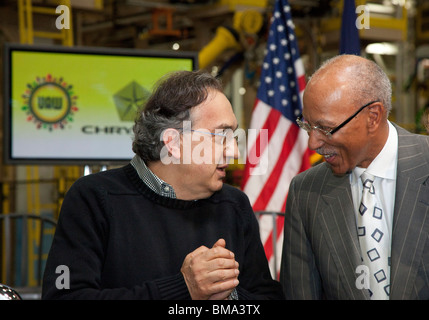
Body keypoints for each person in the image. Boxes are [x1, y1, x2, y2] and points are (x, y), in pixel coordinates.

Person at [42, 70, 284, 300]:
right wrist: (184, 288)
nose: (233, 152)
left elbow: (267, 295)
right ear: (173, 143)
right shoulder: (94, 198)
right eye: (221, 136)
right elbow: (64, 296)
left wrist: (229, 296)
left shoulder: (234, 205)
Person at [280, 54, 429, 300]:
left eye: (326, 129)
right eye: (307, 126)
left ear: (373, 116)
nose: (313, 142)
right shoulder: (306, 192)